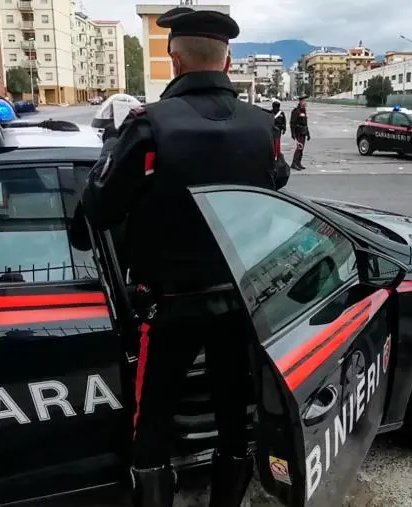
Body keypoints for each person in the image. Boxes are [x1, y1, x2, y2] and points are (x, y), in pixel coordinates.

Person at [80, 6, 282, 507]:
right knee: (235, 415)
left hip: (167, 308)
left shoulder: (148, 125)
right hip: (240, 302)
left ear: (174, 58)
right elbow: (276, 186)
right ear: (228, 60)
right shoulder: (262, 126)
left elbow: (99, 208)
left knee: (152, 421)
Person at [290, 95, 311, 170]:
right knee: (299, 148)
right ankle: (294, 163)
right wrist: (292, 133)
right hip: (298, 132)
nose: (306, 103)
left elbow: (305, 123)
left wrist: (308, 133)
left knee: (301, 149)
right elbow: (292, 123)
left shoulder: (303, 111)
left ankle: (298, 163)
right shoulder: (296, 111)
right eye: (304, 101)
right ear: (300, 102)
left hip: (303, 132)